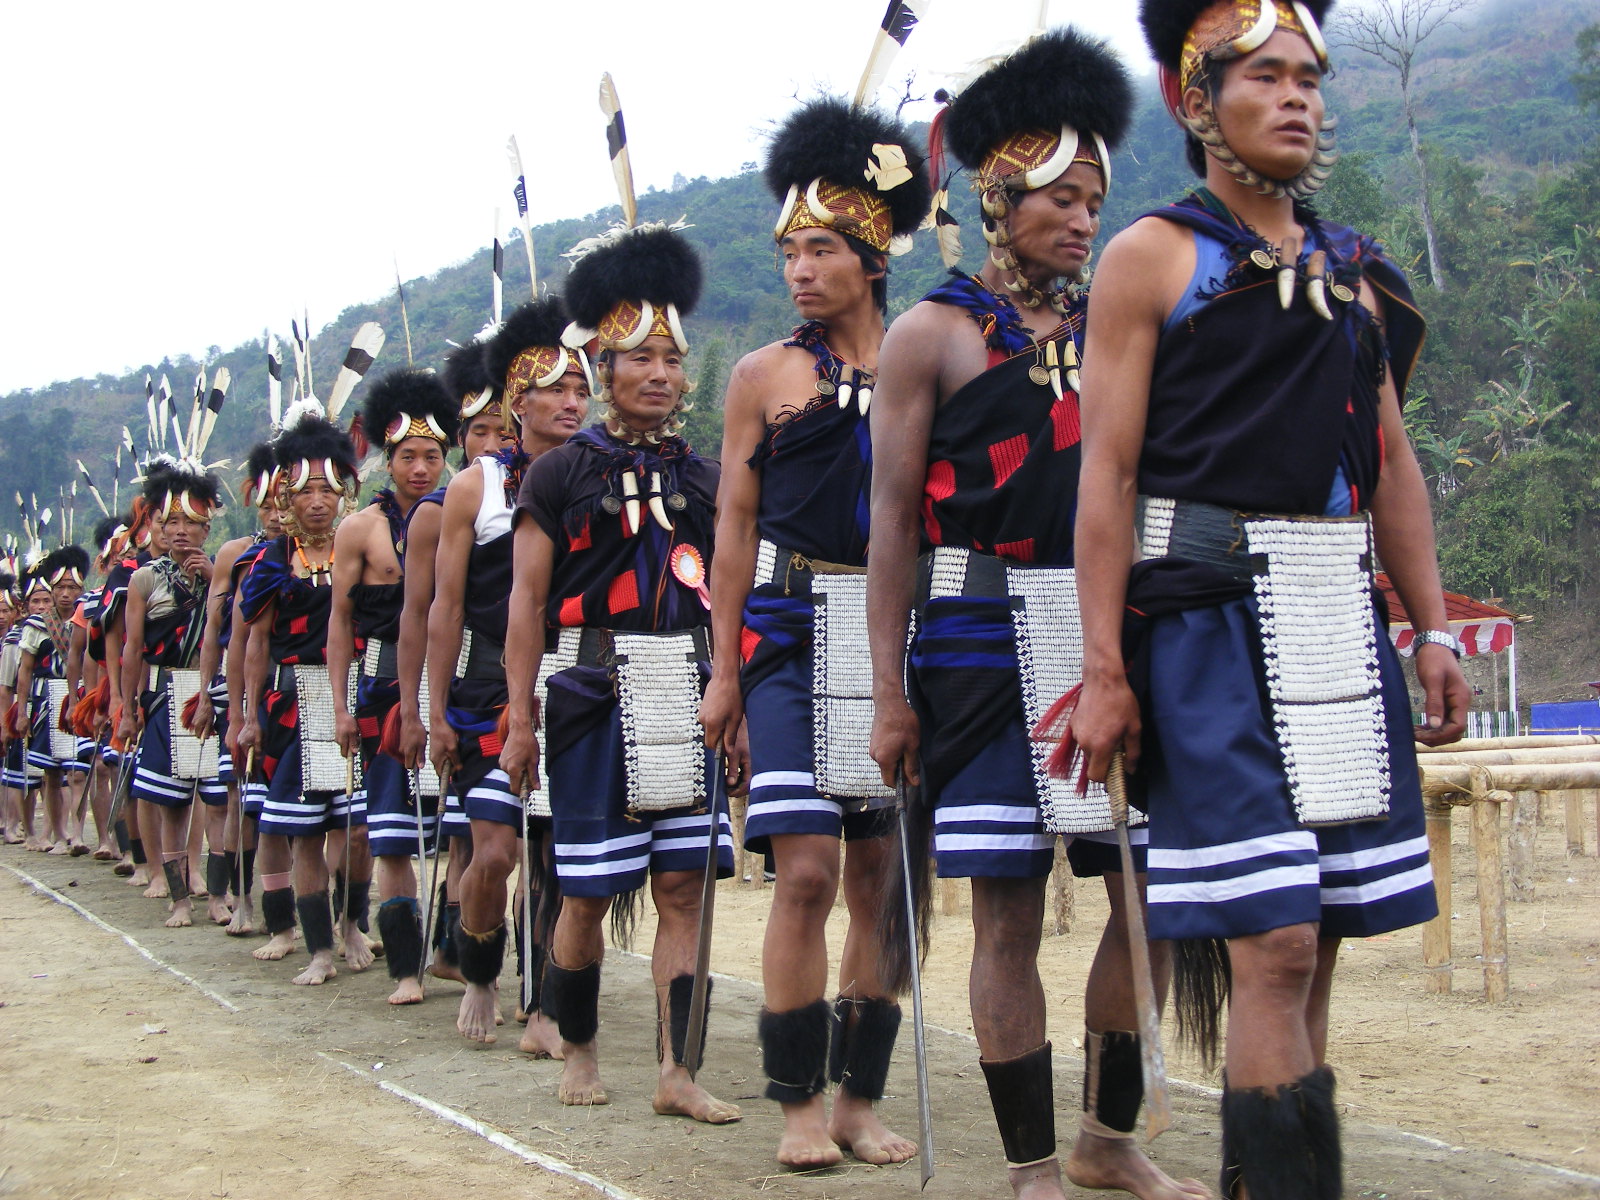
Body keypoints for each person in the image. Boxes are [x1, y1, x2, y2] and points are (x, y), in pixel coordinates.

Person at [1068, 3, 1469, 1195]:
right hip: (1201, 627)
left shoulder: (1353, 271)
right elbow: (1109, 473)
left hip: (1335, 619)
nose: (1299, 96)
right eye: (1267, 77)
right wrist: (1102, 666)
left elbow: (1390, 465)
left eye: (1309, 77)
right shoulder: (1153, 256)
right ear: (1197, 99)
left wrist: (1431, 625)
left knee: (1323, 934)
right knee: (1274, 939)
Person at [868, 28, 1209, 1200]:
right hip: (971, 640)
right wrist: (883, 692)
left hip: (1106, 629)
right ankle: (1027, 1166)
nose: (1080, 217)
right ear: (998, 196)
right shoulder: (932, 336)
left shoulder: (1126, 322)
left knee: (1143, 888)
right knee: (1007, 906)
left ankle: (1107, 1138)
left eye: (1093, 197)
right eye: (1058, 196)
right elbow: (891, 529)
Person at [699, 94, 928, 1169]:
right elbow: (733, 531)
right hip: (786, 632)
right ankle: (794, 1101)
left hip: (892, 637)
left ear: (872, 255)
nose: (800, 269)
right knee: (804, 871)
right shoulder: (762, 377)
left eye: (822, 248)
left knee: (882, 879)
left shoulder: (928, 363)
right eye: (789, 251)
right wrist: (722, 674)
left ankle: (858, 1099)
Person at [499, 222, 738, 1125]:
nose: (662, 376)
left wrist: (735, 699)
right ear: (602, 368)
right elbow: (525, 605)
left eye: (673, 360)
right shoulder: (558, 473)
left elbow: (725, 596)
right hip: (591, 695)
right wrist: (520, 720)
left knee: (685, 890)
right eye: (641, 359)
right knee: (590, 889)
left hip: (688, 688)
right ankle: (581, 1047)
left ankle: (679, 1071)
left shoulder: (710, 478)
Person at [427, 299, 588, 1049]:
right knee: (494, 850)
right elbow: (445, 608)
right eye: (555, 389)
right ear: (517, 401)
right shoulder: (476, 488)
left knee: (559, 854)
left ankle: (550, 1002)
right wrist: (433, 713)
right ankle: (482, 969)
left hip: (574, 681)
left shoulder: (599, 475)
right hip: (487, 690)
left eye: (582, 390)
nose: (571, 403)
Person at [328, 368, 457, 1003]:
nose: (421, 468)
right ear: (388, 456)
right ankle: (405, 967)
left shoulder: (462, 514)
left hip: (454, 684)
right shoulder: (359, 530)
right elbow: (340, 624)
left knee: (459, 829)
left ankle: (454, 953)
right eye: (408, 456)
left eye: (433, 455)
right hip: (381, 690)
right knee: (394, 834)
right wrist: (340, 708)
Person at [395, 337, 511, 994]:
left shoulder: (551, 483)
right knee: (478, 839)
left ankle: (523, 977)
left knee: (516, 844)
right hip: (474, 685)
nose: (492, 440)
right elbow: (423, 616)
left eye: (503, 426)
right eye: (479, 429)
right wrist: (422, 711)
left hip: (548, 680)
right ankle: (465, 959)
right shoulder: (442, 512)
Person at [236, 406, 365, 985]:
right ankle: (316, 949)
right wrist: (248, 715)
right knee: (303, 830)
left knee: (356, 827)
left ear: (345, 492)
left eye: (327, 488)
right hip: (289, 704)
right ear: (285, 494)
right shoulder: (268, 562)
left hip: (353, 701)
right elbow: (255, 644)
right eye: (306, 489)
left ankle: (354, 925)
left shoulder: (363, 550)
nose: (317, 500)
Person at [117, 460, 223, 928]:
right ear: (158, 524)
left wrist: (216, 578)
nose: (181, 531)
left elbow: (238, 633)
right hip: (164, 695)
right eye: (172, 521)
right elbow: (133, 649)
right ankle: (179, 898)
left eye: (192, 522)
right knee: (173, 803)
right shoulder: (144, 581)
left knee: (218, 801)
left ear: (206, 525)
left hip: (213, 694)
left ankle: (218, 896)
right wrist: (126, 709)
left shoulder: (228, 570)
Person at [189, 442, 283, 935]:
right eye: (266, 504)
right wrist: (210, 694)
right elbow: (217, 631)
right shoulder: (236, 554)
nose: (274, 513)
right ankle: (231, 896)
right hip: (239, 684)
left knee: (285, 804)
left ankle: (287, 905)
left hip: (288, 686)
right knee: (237, 796)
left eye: (281, 501)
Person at [13, 546, 90, 855]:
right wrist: (21, 712)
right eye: (60, 587)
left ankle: (78, 832)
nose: (66, 594)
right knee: (52, 772)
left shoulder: (88, 619)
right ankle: (55, 833)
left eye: (72, 587)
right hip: (46, 700)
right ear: (52, 589)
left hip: (79, 697)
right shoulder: (36, 626)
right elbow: (25, 671)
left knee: (78, 771)